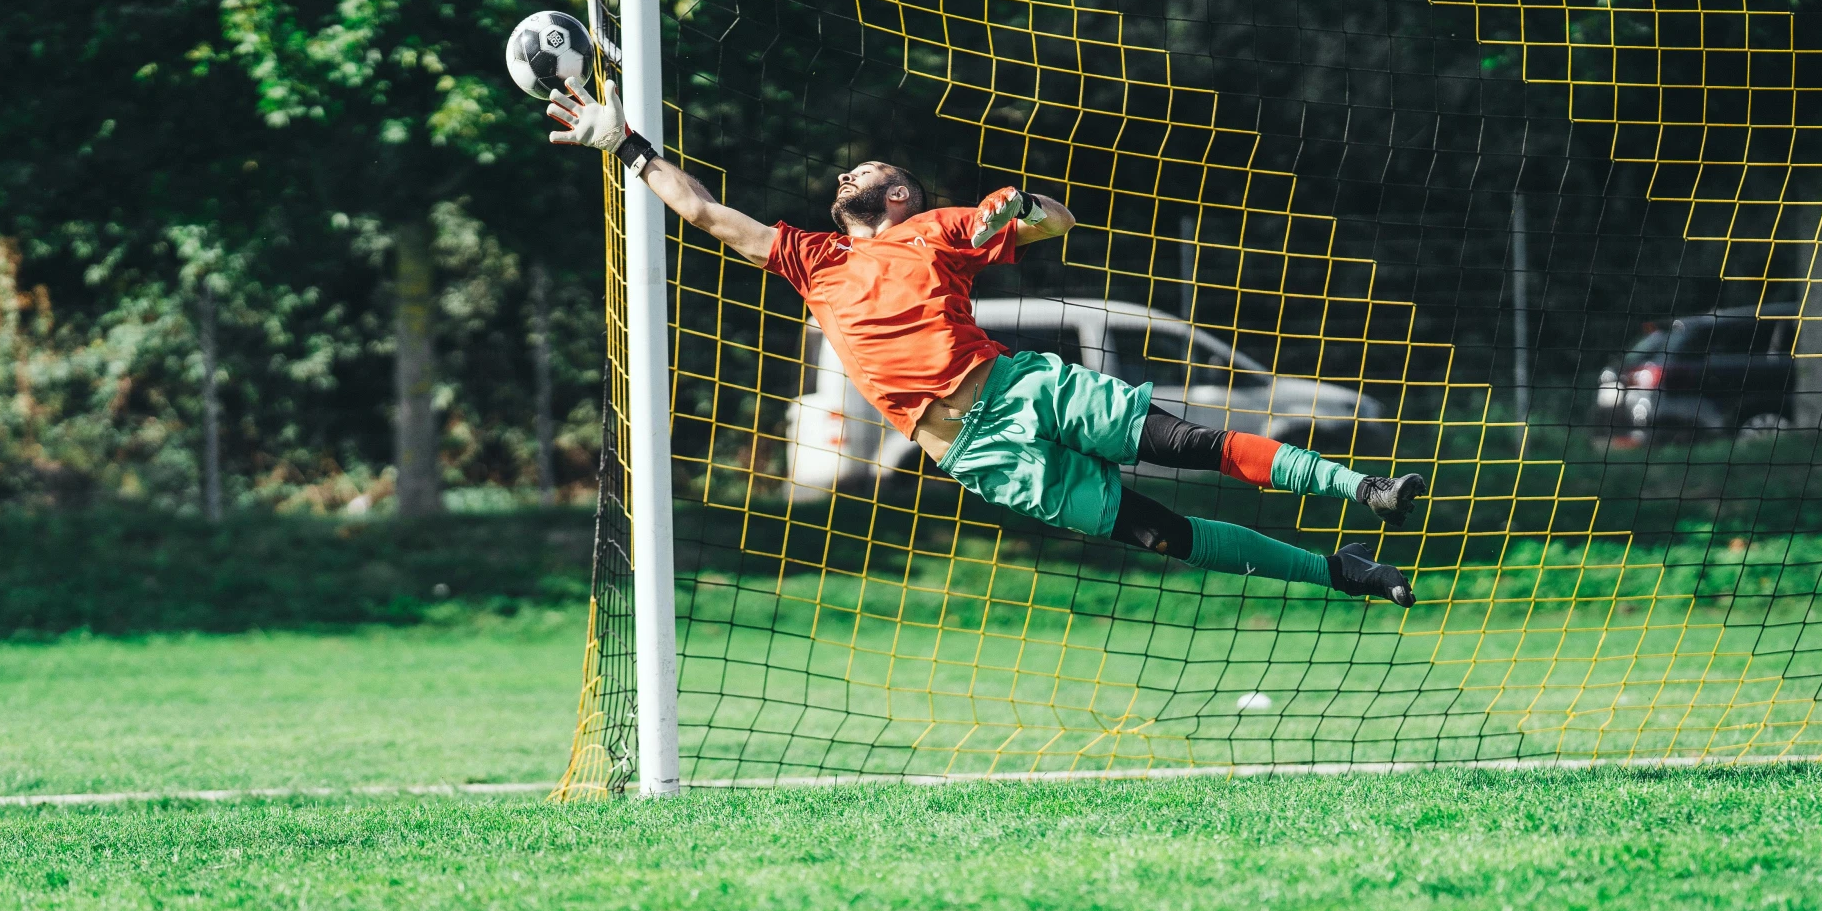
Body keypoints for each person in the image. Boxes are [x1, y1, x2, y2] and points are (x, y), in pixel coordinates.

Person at [547, 79, 1423, 606]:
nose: (851, 172)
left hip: (1022, 387)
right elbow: (704, 212)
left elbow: (1055, 220)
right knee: (1165, 535)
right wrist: (622, 143)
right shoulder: (812, 261)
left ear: (899, 197)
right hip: (973, 450)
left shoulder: (934, 228)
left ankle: (1364, 486)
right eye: (852, 170)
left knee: (1191, 442)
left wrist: (1021, 208)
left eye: (872, 169)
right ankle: (1339, 570)